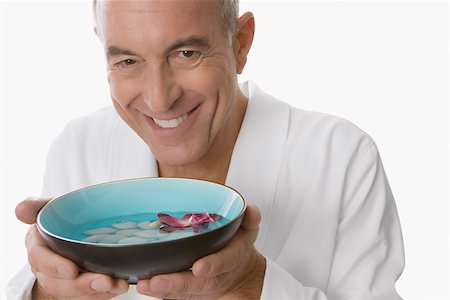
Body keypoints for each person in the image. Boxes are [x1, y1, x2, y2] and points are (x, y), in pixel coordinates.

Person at [7, 0, 405, 299]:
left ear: (240, 44)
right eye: (128, 60)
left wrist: (249, 285)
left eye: (186, 54)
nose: (160, 100)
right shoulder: (79, 147)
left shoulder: (342, 157)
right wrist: (47, 290)